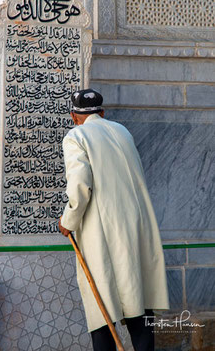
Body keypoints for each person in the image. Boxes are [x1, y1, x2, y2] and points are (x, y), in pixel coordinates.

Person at [59, 88, 169, 351]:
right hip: (135, 228)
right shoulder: (122, 131)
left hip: (103, 232)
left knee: (102, 308)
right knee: (139, 306)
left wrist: (68, 219)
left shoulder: (76, 136)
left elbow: (80, 187)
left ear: (74, 116)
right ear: (103, 112)